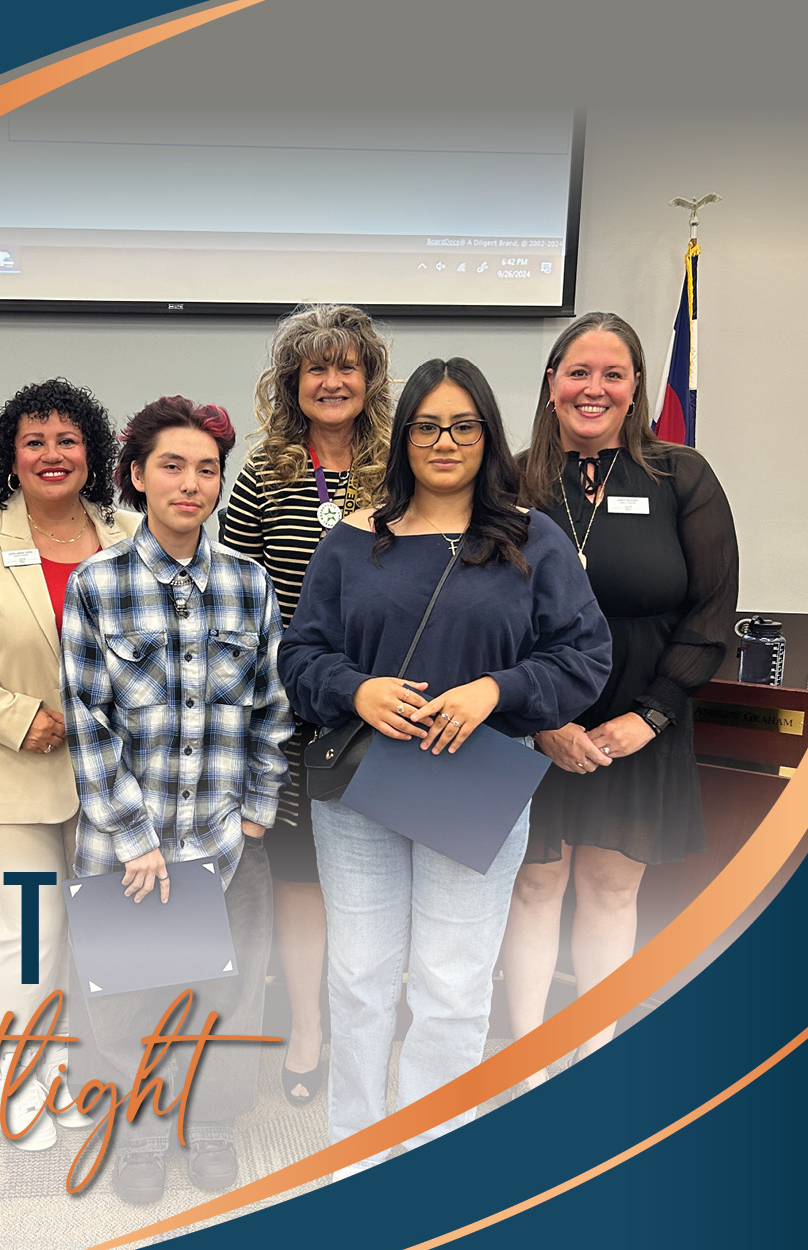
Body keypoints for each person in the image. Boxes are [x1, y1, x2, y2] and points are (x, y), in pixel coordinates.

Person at [279, 358, 610, 1172]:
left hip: (474, 787)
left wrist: (494, 691)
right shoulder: (354, 539)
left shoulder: (534, 539)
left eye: (464, 425)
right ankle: (353, 1153)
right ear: (402, 440)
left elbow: (585, 657)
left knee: (454, 988)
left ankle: (431, 1154)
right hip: (360, 789)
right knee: (358, 979)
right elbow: (298, 656)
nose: (445, 441)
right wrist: (355, 692)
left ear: (489, 437)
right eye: (426, 426)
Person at [61, 396, 293, 1203]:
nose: (191, 483)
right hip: (132, 846)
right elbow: (87, 723)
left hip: (226, 842)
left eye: (206, 469)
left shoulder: (248, 584)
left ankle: (216, 1123)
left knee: (227, 997)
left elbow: (271, 705)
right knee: (130, 1005)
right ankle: (141, 1132)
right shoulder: (98, 585)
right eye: (172, 465)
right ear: (135, 476)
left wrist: (259, 804)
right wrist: (134, 836)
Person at [503, 312, 739, 1085]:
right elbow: (481, 616)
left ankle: (593, 1062)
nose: (594, 388)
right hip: (533, 720)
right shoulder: (511, 479)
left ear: (637, 387)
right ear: (551, 382)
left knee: (610, 886)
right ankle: (527, 1065)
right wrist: (544, 725)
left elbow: (710, 611)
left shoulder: (683, 476)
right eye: (578, 371)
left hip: (643, 721)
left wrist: (652, 716)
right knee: (534, 883)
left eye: (613, 373)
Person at [0, 378, 136, 1148]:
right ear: (11, 457)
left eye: (67, 440)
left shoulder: (130, 531)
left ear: (93, 453)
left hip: (113, 777)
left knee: (100, 937)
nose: (52, 455)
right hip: (12, 772)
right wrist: (18, 718)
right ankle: (20, 1083)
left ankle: (69, 1073)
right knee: (29, 935)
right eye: (34, 441)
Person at [223, 304, 393, 1106]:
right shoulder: (263, 475)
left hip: (386, 712)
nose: (332, 380)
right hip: (291, 715)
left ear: (370, 378)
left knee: (376, 875)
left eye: (346, 365)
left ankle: (368, 1027)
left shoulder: (403, 470)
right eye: (315, 368)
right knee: (301, 878)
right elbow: (238, 599)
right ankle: (307, 1030)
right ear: (293, 383)